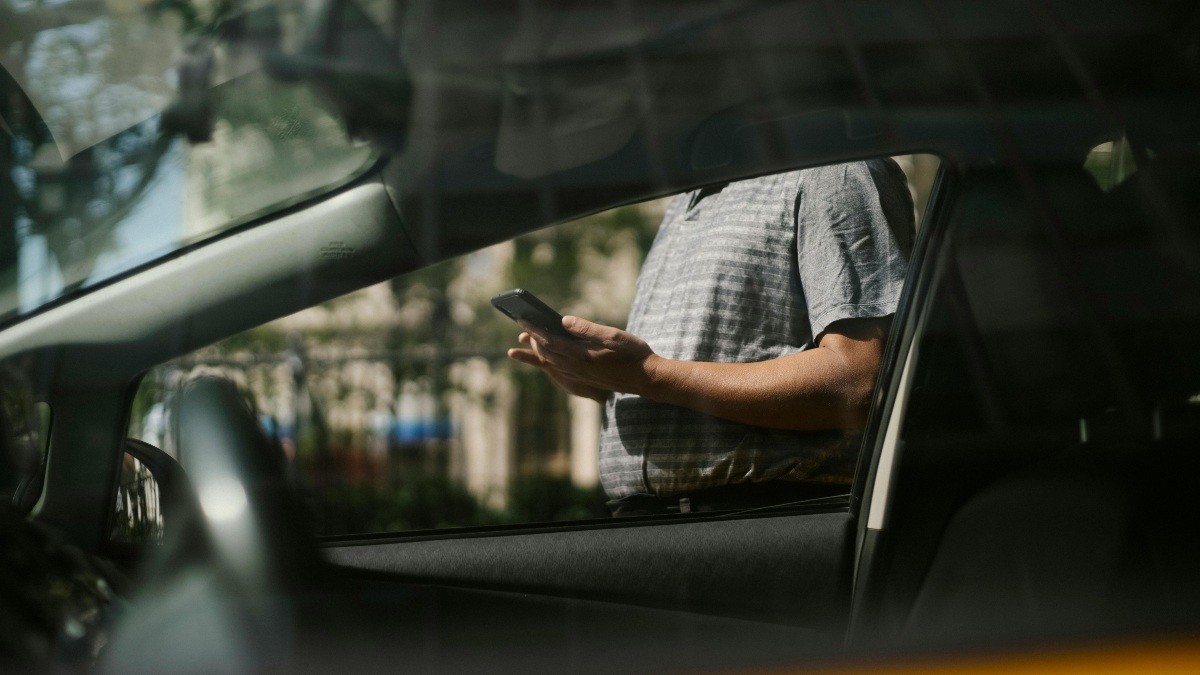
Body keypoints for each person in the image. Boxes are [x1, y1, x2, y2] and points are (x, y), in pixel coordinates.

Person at [508, 161, 914, 515]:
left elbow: (858, 382)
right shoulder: (684, 200)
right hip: (655, 523)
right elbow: (683, 379)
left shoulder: (834, 172)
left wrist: (646, 375)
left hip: (763, 519)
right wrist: (607, 381)